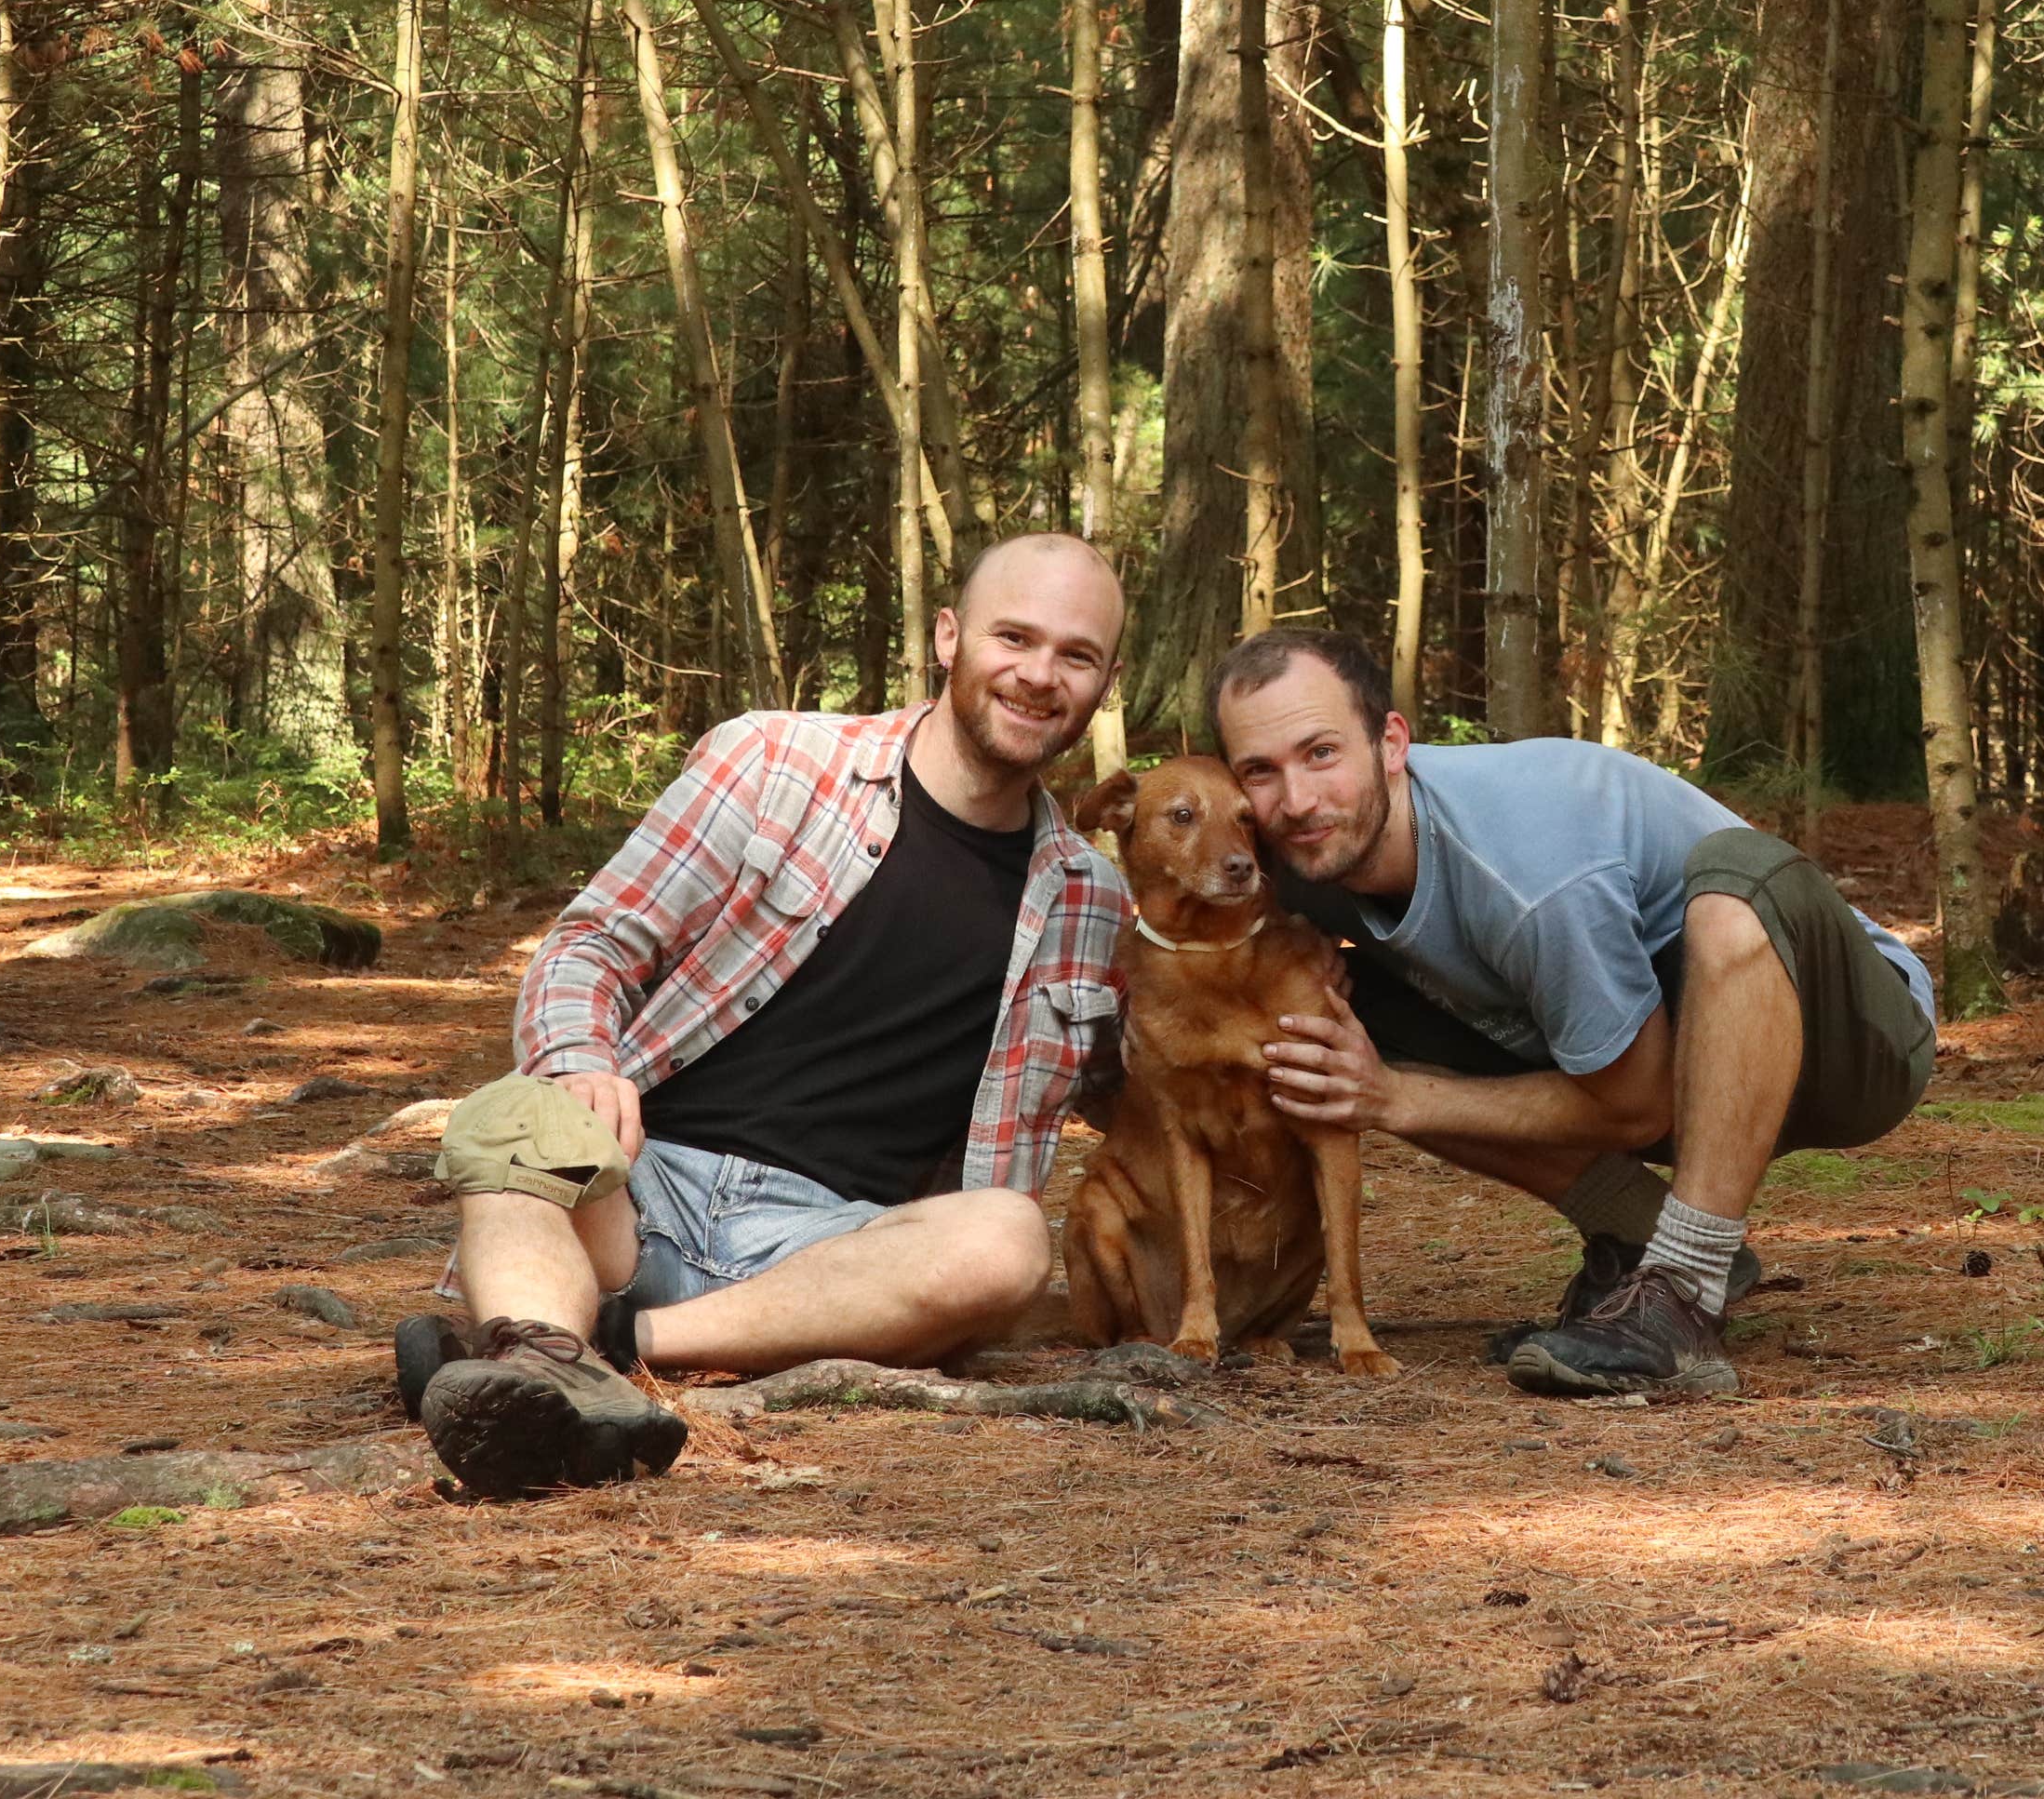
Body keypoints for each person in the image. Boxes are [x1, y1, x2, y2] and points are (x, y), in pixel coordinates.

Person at [401, 535, 1129, 1495]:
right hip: (637, 1189)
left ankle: (579, 1353)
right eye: (1015, 638)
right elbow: (591, 946)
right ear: (950, 637)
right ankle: (545, 1347)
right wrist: (581, 1061)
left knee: (1008, 1236)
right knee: (513, 1111)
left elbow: (1150, 1092)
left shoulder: (1089, 900)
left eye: (1076, 655)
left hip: (832, 1257)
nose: (1039, 675)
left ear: (1106, 682)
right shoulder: (778, 763)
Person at [1209, 628, 1935, 1398]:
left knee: (1738, 878)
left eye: (1322, 753)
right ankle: (1640, 1234)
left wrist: (1394, 1099)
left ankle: (1683, 1289)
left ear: (1391, 743)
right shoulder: (1290, 850)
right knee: (1333, 1018)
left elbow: (1637, 1104)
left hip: (1847, 1045)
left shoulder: (1530, 873)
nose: (1297, 801)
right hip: (1657, 1050)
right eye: (1260, 771)